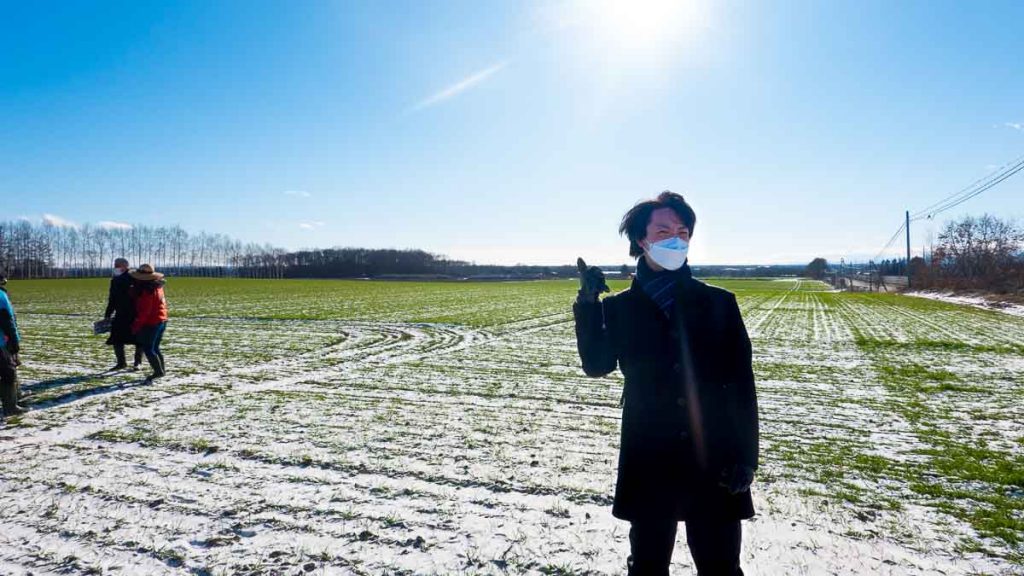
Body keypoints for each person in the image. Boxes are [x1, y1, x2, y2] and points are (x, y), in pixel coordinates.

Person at [573, 191, 759, 576]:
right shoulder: (619, 308)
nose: (675, 239)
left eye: (683, 231)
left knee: (722, 565)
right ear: (641, 240)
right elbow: (597, 364)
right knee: (647, 566)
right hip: (650, 454)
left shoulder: (720, 303)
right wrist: (589, 305)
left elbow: (742, 385)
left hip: (715, 457)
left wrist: (747, 457)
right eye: (663, 230)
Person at [129, 264, 168, 381]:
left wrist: (136, 325)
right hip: (162, 319)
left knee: (148, 348)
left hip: (152, 322)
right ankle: (161, 370)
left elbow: (145, 312)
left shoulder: (147, 291)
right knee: (155, 347)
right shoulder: (158, 286)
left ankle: (158, 371)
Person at [105, 257, 143, 371]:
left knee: (139, 339)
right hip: (120, 314)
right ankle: (121, 363)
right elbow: (112, 299)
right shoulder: (115, 280)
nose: (115, 267)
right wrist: (108, 314)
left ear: (125, 266)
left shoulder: (135, 278)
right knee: (116, 339)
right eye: (115, 265)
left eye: (118, 265)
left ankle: (138, 362)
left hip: (135, 313)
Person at [0, 273, 26, 419]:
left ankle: (16, 396)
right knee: (8, 373)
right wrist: (14, 340)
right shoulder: (1, 297)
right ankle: (10, 407)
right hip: (2, 342)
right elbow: (8, 321)